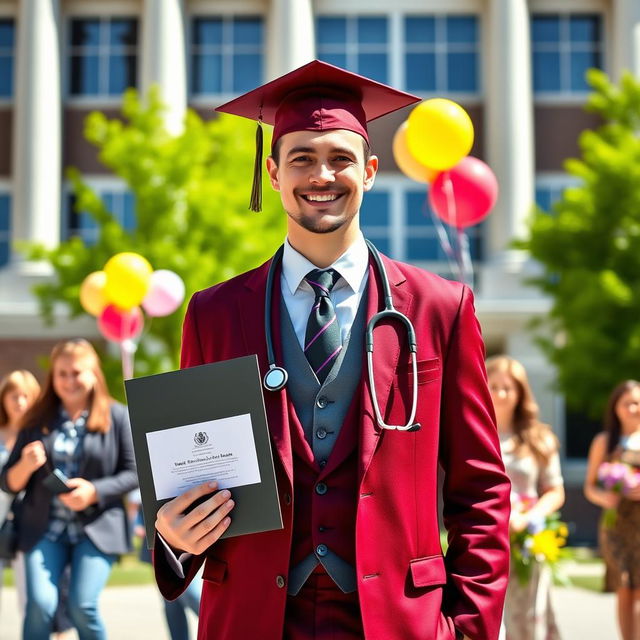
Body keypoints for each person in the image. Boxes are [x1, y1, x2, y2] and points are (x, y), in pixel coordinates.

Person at [153, 60, 511, 640]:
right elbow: (190, 476)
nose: (322, 174)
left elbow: (482, 487)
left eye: (340, 158)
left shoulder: (439, 307)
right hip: (253, 619)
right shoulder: (214, 314)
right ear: (272, 173)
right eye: (301, 158)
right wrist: (173, 538)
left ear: (370, 171)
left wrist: (467, 629)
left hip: (398, 623)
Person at [0, 339, 138, 640]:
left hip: (96, 527)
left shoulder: (117, 416)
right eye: (61, 373)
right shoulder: (36, 420)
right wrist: (24, 465)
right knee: (40, 604)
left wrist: (94, 490)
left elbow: (134, 473)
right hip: (43, 528)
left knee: (82, 606)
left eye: (76, 372)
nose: (68, 380)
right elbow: (7, 481)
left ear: (93, 374)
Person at [486, 356, 565, 640]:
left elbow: (555, 491)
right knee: (489, 617)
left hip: (526, 540)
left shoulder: (539, 438)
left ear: (521, 392)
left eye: (508, 387)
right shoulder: (476, 435)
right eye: (493, 386)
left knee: (529, 615)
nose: (500, 393)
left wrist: (527, 519)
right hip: (486, 536)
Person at [584, 380, 640, 640]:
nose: (632, 408)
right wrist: (604, 497)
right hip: (615, 526)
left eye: (637, 403)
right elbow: (589, 487)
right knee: (624, 587)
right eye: (626, 403)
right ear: (615, 407)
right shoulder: (604, 442)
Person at [0, 370, 40, 616]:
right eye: (14, 396)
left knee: (32, 599)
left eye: (26, 396)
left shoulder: (43, 435)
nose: (20, 402)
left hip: (30, 524)